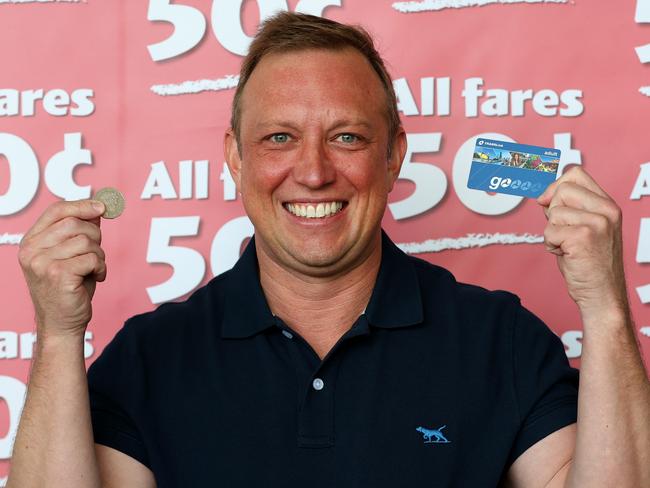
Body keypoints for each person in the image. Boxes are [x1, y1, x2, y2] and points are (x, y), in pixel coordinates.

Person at [7, 12, 650, 488]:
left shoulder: (499, 339)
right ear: (235, 156)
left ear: (395, 153)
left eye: (345, 136)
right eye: (280, 137)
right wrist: (60, 335)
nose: (313, 173)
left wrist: (606, 309)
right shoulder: (151, 355)